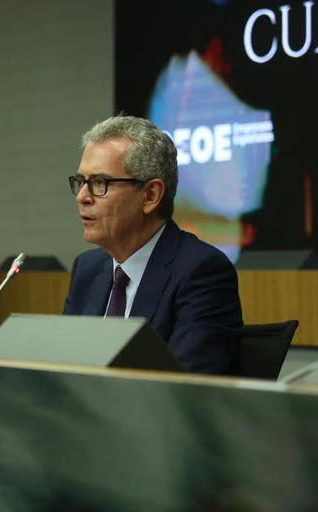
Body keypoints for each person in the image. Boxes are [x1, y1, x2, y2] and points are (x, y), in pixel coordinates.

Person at [63, 115, 242, 374]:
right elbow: (63, 368)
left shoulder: (202, 272)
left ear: (150, 195)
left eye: (100, 183)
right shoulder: (87, 269)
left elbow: (182, 383)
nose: (82, 197)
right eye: (81, 182)